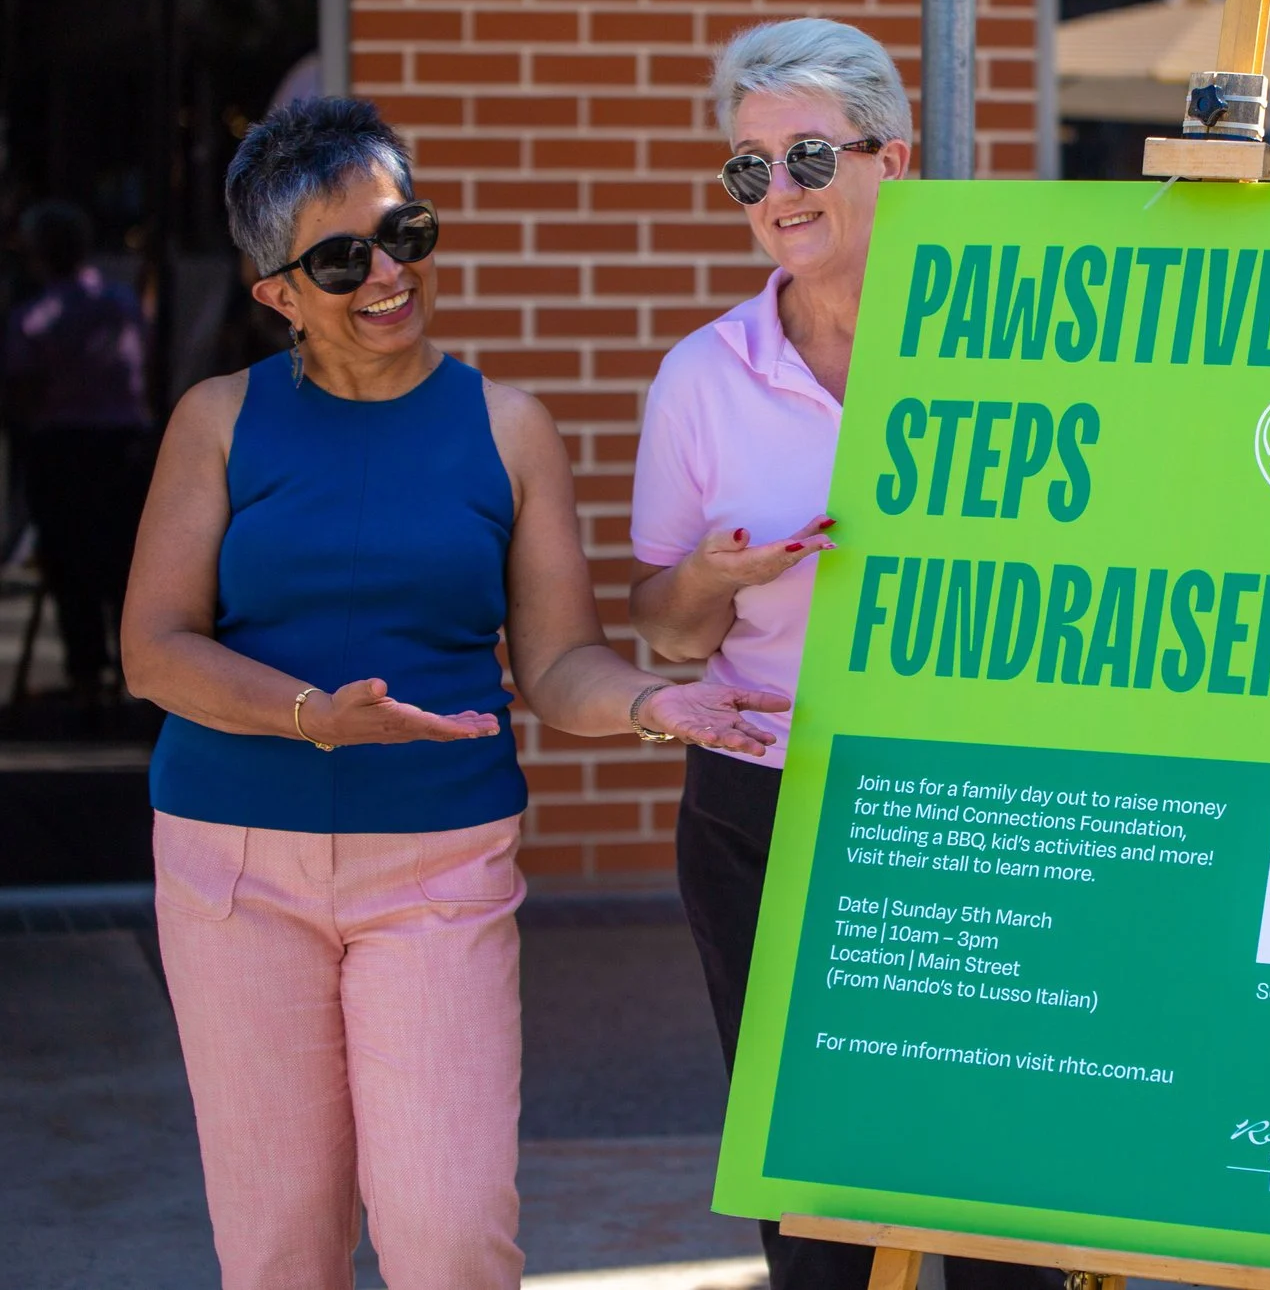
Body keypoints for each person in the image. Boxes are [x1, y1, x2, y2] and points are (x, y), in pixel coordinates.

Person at [124, 97, 787, 1290]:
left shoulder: (509, 426)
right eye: (342, 259)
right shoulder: (218, 420)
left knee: (450, 1235)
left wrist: (651, 703)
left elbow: (558, 662)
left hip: (437, 864)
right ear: (276, 291)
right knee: (280, 1243)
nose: (388, 273)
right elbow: (154, 648)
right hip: (233, 862)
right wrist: (309, 714)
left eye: (404, 232)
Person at [630, 19, 1058, 1290]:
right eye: (748, 166)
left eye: (808, 153)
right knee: (817, 1191)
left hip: (978, 797)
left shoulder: (1010, 353)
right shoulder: (701, 376)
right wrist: (716, 571)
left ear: (895, 161)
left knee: (1004, 1180)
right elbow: (661, 627)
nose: (780, 192)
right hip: (769, 794)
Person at [5, 198, 152, 708]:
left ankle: (88, 676)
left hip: (64, 445)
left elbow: (22, 390)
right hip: (122, 445)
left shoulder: (36, 316)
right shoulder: (119, 303)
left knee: (70, 566)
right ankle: (137, 673)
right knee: (124, 562)